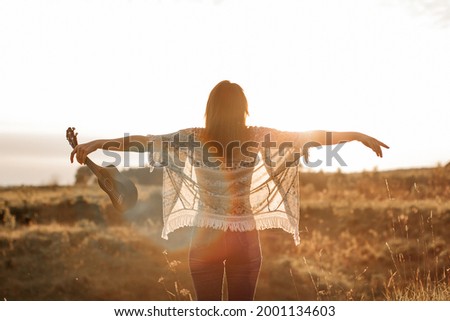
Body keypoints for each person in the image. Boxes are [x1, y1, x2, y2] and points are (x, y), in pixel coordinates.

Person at [70, 80, 389, 300]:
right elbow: (313, 136)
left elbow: (143, 141)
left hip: (205, 238)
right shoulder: (258, 135)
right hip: (244, 239)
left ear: (210, 109)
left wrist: (99, 143)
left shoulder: (194, 136)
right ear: (243, 110)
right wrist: (357, 135)